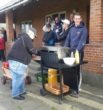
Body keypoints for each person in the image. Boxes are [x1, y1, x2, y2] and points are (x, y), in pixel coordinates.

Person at [7, 27, 38, 100]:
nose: (34, 37)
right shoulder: (27, 38)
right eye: (34, 35)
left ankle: (21, 91)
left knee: (18, 78)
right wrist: (39, 52)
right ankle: (15, 94)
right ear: (31, 33)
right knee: (18, 78)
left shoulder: (22, 38)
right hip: (18, 62)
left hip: (13, 60)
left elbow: (26, 50)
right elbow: (32, 50)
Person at [64, 13, 87, 96]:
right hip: (71, 52)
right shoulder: (71, 29)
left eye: (78, 18)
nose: (77, 20)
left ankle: (77, 89)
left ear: (80, 19)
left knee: (77, 70)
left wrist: (77, 50)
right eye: (75, 18)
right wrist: (64, 49)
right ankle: (72, 86)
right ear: (73, 19)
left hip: (78, 53)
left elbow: (82, 41)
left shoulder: (84, 29)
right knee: (71, 69)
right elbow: (67, 40)